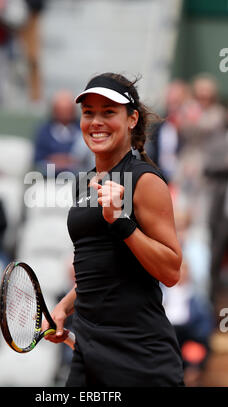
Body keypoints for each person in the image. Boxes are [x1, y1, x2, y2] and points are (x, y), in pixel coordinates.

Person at [43, 72, 184, 386]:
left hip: (140, 357)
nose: (96, 121)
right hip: (88, 351)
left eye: (109, 112)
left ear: (132, 119)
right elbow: (107, 269)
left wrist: (122, 222)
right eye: (89, 112)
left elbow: (171, 270)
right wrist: (64, 307)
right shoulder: (84, 183)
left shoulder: (145, 180)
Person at [34, 89, 94, 177]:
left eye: (67, 109)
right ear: (54, 111)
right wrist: (55, 161)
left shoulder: (84, 129)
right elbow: (37, 158)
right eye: (60, 109)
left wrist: (71, 160)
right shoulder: (44, 131)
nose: (64, 113)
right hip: (49, 177)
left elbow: (88, 158)